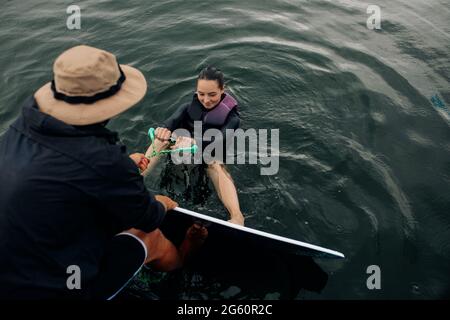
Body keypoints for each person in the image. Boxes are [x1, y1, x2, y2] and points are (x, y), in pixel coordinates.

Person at [0, 45, 206, 299]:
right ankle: (183, 260)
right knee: (150, 237)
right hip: (55, 288)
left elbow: (60, 174)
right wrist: (161, 203)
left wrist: (125, 168)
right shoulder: (103, 159)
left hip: (13, 265)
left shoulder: (18, 130)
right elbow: (146, 216)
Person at [143, 66, 245, 226]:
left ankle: (237, 216)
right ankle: (136, 179)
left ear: (222, 90)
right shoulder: (187, 108)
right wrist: (162, 130)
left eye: (212, 95)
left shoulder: (232, 119)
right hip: (182, 146)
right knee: (159, 141)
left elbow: (219, 139)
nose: (206, 100)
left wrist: (195, 142)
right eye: (201, 94)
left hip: (209, 150)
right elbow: (170, 122)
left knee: (215, 164)